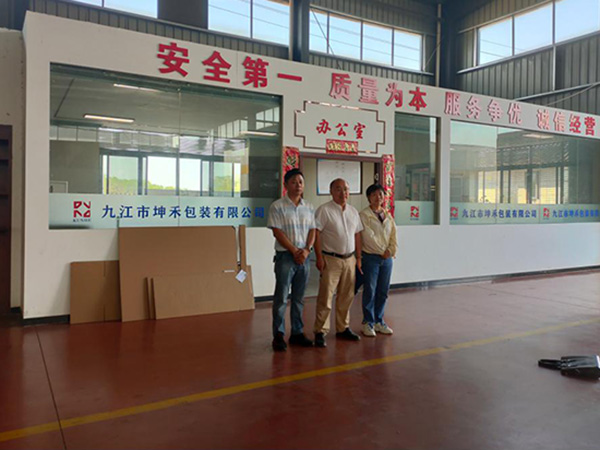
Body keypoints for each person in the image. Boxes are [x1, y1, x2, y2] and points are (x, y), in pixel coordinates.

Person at [267, 168, 317, 352]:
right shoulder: (277, 206)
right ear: (286, 184)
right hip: (286, 257)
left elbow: (313, 230)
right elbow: (277, 231)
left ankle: (297, 332)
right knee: (281, 297)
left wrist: (307, 250)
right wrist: (295, 250)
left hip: (304, 257)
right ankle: (278, 335)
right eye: (294, 182)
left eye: (301, 182)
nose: (298, 185)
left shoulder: (309, 207)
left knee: (299, 297)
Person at [313, 178, 363, 348]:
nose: (343, 193)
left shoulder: (353, 212)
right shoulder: (324, 210)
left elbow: (357, 235)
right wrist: (319, 257)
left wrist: (358, 258)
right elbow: (316, 234)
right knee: (326, 296)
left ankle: (343, 328)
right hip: (330, 259)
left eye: (346, 189)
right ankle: (320, 331)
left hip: (350, 259)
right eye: (338, 189)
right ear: (331, 191)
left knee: (346, 296)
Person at [359, 183, 397, 337]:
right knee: (370, 290)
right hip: (371, 258)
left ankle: (379, 321)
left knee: (383, 291)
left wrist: (391, 251)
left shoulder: (388, 215)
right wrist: (383, 251)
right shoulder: (364, 215)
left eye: (380, 194)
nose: (378, 197)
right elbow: (368, 237)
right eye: (374, 195)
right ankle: (368, 322)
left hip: (387, 259)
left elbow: (393, 235)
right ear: (368, 197)